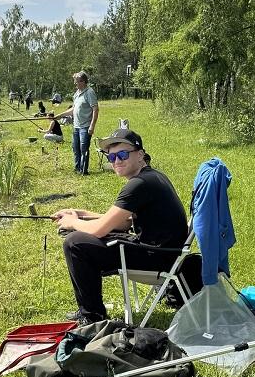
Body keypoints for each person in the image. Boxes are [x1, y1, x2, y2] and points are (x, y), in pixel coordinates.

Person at [52, 128, 188, 325]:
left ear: (140, 154)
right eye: (112, 157)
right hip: (166, 253)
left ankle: (91, 316)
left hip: (157, 259)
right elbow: (122, 222)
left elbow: (100, 229)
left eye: (123, 155)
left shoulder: (138, 184)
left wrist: (72, 223)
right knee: (84, 237)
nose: (117, 161)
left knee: (75, 243)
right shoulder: (151, 176)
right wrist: (79, 214)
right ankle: (91, 311)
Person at [53, 71, 98, 174]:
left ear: (83, 81)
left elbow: (95, 109)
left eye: (77, 82)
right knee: (75, 148)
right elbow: (73, 109)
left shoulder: (89, 92)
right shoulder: (77, 94)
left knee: (83, 149)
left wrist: (92, 126)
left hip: (85, 127)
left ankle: (83, 171)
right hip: (76, 126)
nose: (75, 84)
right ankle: (77, 168)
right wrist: (59, 116)